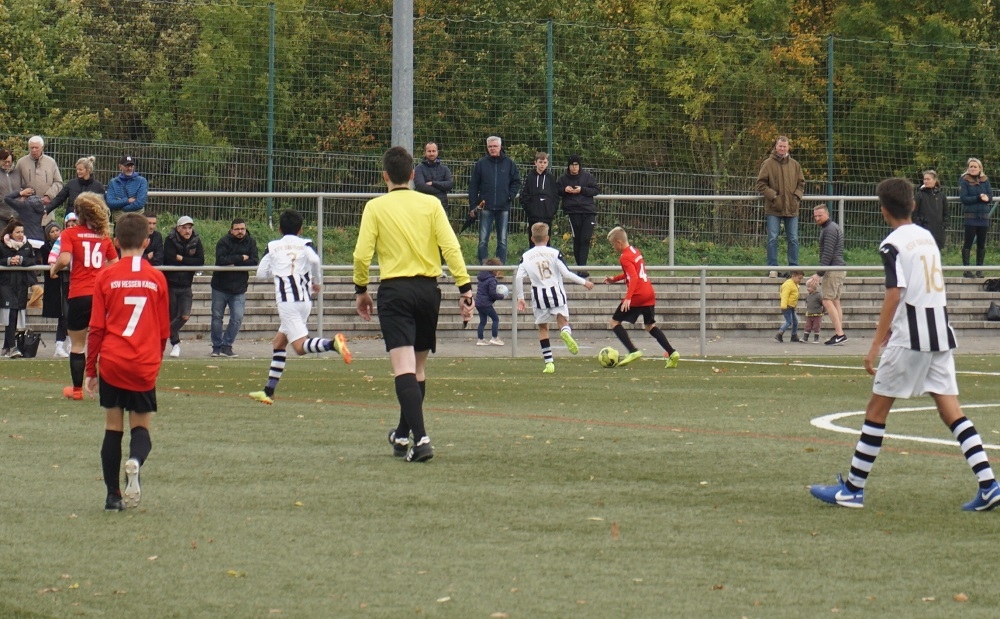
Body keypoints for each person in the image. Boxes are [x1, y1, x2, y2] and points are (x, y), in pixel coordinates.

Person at [809, 177, 1000, 511]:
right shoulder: (927, 238)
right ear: (913, 205)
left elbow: (895, 293)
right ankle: (989, 485)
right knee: (952, 411)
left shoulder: (892, 244)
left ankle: (853, 489)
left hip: (910, 338)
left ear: (883, 211)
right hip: (940, 333)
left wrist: (875, 344)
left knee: (876, 410)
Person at [354, 146, 474, 462]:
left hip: (395, 292)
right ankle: (401, 434)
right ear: (412, 175)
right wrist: (465, 288)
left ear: (385, 176)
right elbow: (451, 248)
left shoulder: (375, 207)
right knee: (417, 369)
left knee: (403, 368)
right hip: (427, 292)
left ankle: (421, 440)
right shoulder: (431, 204)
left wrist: (361, 290)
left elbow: (362, 255)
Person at [86, 213, 171, 512]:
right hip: (143, 362)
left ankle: (112, 497)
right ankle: (134, 461)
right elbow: (163, 331)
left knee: (113, 427)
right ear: (147, 242)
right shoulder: (157, 278)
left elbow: (96, 327)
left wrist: (90, 370)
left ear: (115, 241)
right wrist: (154, 362)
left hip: (112, 361)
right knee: (141, 429)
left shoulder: (106, 276)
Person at [250, 209, 351, 404]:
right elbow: (315, 260)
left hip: (287, 303)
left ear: (279, 229)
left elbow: (261, 274)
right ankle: (268, 391)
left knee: (299, 347)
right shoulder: (306, 244)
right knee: (279, 343)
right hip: (304, 301)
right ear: (301, 229)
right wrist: (317, 281)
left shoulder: (272, 246)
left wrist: (276, 271)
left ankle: (332, 344)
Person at [50, 192, 118, 400]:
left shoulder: (70, 233)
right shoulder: (103, 236)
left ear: (78, 213)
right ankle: (108, 389)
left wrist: (54, 269)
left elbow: (64, 259)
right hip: (101, 295)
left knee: (78, 345)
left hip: (80, 294)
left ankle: (78, 391)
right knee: (105, 343)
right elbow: (114, 264)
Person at [514, 222, 594, 374]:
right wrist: (584, 282)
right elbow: (566, 273)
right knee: (562, 320)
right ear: (547, 238)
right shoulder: (554, 253)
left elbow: (518, 277)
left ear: (532, 238)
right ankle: (565, 332)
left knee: (543, 328)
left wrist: (520, 297)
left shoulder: (526, 256)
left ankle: (549, 363)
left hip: (539, 296)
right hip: (556, 292)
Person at [603, 226, 680, 368]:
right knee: (650, 326)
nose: (613, 248)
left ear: (619, 242)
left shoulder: (624, 257)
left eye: (613, 245)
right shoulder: (635, 251)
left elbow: (633, 277)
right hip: (649, 293)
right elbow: (633, 273)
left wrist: (628, 298)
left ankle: (632, 351)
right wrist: (615, 279)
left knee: (614, 322)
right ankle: (672, 352)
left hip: (638, 295)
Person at [468, 136, 521, 264]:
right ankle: (483, 266)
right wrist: (473, 205)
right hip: (485, 207)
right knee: (483, 240)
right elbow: (473, 185)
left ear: (500, 147)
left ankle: (500, 266)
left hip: (503, 207)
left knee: (502, 240)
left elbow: (516, 182)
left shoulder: (509, 163)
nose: (492, 148)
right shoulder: (481, 164)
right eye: (490, 146)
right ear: (487, 148)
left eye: (495, 146)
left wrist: (510, 195)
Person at [756, 136, 804, 275]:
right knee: (772, 238)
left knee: (793, 239)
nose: (782, 148)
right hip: (773, 208)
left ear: (788, 147)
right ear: (776, 147)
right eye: (780, 146)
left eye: (784, 146)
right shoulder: (768, 164)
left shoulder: (795, 165)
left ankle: (793, 269)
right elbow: (760, 184)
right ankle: (772, 268)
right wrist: (774, 196)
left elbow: (801, 183)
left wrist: (796, 197)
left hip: (792, 208)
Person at [210, 218, 259, 357]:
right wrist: (241, 258)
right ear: (231, 230)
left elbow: (254, 261)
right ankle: (216, 347)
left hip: (239, 288)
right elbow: (221, 260)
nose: (240, 231)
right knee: (217, 318)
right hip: (220, 286)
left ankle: (227, 346)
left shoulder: (251, 242)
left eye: (242, 229)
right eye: (237, 229)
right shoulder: (223, 241)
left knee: (237, 318)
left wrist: (234, 262)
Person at [162, 215, 204, 357]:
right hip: (171, 284)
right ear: (178, 228)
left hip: (186, 285)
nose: (187, 231)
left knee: (184, 316)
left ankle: (162, 333)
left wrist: (182, 259)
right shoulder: (170, 239)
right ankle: (175, 344)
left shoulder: (196, 240)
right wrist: (189, 261)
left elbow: (200, 261)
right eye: (184, 228)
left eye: (189, 228)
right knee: (172, 316)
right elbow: (170, 258)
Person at [807, 204, 847, 345]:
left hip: (833, 269)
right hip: (838, 268)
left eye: (820, 215)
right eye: (815, 216)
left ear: (827, 214)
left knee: (827, 300)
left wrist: (819, 273)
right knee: (835, 301)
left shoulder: (829, 229)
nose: (817, 218)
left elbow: (828, 253)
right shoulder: (832, 227)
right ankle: (839, 333)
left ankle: (840, 334)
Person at [557, 154, 601, 277]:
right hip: (573, 212)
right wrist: (564, 190)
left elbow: (596, 190)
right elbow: (556, 190)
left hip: (588, 212)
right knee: (577, 239)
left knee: (585, 239)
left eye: (576, 165)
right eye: (572, 165)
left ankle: (582, 268)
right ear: (568, 166)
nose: (574, 167)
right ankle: (580, 267)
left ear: (579, 166)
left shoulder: (588, 177)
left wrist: (582, 189)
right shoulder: (563, 179)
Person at [0, 219, 37, 358]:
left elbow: (33, 260)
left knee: (15, 313)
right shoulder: (2, 245)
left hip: (21, 284)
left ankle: (6, 347)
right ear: (11, 233)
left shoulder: (27, 246)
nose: (21, 234)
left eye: (22, 232)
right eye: (17, 232)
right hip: (6, 284)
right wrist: (8, 261)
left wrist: (22, 260)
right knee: (10, 313)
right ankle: (12, 347)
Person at [13, 136, 63, 224]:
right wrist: (22, 195)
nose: (34, 150)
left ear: (42, 148)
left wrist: (49, 196)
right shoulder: (21, 162)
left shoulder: (51, 162)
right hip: (27, 207)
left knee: (46, 230)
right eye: (32, 148)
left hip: (46, 207)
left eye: (36, 148)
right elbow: (15, 183)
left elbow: (58, 183)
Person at [957, 158, 992, 278]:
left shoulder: (985, 180)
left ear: (980, 168)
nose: (972, 168)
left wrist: (987, 198)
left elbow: (990, 195)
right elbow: (964, 198)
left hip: (983, 217)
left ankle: (979, 269)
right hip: (970, 217)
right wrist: (978, 197)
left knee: (981, 244)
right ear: (968, 168)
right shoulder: (964, 180)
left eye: (975, 166)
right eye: (971, 166)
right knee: (968, 243)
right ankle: (966, 269)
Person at [41, 218, 70, 357]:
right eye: (52, 231)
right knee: (63, 314)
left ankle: (68, 343)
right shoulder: (46, 248)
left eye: (57, 230)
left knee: (69, 314)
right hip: (57, 284)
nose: (55, 233)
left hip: (68, 282)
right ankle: (60, 344)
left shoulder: (68, 242)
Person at [520, 151, 558, 248]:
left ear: (547, 163)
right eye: (540, 162)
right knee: (533, 241)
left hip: (547, 216)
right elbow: (524, 195)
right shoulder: (530, 176)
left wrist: (551, 211)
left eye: (544, 162)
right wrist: (530, 210)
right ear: (535, 162)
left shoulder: (550, 178)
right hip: (534, 216)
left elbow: (555, 196)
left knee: (546, 242)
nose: (542, 165)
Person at [413, 142, 453, 213]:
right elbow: (421, 186)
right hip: (423, 207)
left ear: (437, 152)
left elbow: (450, 185)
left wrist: (433, 183)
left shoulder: (444, 169)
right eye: (429, 151)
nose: (431, 153)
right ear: (425, 153)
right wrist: (441, 190)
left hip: (441, 208)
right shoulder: (419, 168)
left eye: (433, 151)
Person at [105, 155, 148, 221]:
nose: (130, 168)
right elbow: (110, 203)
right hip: (119, 221)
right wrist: (127, 201)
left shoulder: (142, 181)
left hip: (137, 220)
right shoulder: (113, 182)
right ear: (120, 166)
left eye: (131, 166)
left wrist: (121, 207)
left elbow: (140, 203)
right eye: (127, 166)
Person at [913, 169, 948, 250]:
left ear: (934, 180)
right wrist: (919, 224)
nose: (926, 181)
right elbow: (914, 212)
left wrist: (944, 224)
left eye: (928, 179)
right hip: (924, 228)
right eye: (924, 179)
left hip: (938, 229)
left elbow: (946, 211)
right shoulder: (919, 195)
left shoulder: (941, 196)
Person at [475, 257, 505, 346]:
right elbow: (492, 293)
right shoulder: (492, 279)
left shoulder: (482, 277)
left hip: (479, 302)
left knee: (482, 321)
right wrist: (501, 296)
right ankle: (494, 337)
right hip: (486, 303)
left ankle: (480, 339)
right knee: (495, 319)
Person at [774, 270, 804, 343]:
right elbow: (785, 295)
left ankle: (794, 335)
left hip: (792, 306)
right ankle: (779, 333)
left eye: (801, 278)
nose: (800, 280)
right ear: (793, 276)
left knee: (795, 322)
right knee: (789, 322)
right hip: (787, 306)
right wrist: (784, 306)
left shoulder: (795, 284)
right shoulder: (788, 284)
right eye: (799, 278)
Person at [801, 278, 824, 343]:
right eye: (807, 287)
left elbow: (823, 303)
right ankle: (805, 338)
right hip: (809, 314)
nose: (807, 289)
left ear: (814, 287)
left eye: (809, 287)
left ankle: (816, 338)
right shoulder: (809, 295)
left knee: (816, 326)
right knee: (807, 326)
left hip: (817, 314)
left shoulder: (819, 295)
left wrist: (823, 310)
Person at [0, 148, 18, 227]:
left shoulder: (17, 173)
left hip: (16, 217)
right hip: (1, 216)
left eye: (9, 162)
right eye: (4, 161)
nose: (7, 164)